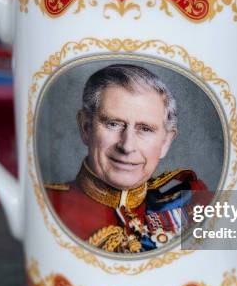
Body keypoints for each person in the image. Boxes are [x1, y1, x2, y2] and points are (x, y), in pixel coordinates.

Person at [45, 64, 207, 253]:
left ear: (165, 142)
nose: (127, 146)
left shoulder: (189, 207)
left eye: (145, 129)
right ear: (86, 127)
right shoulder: (48, 205)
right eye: (113, 124)